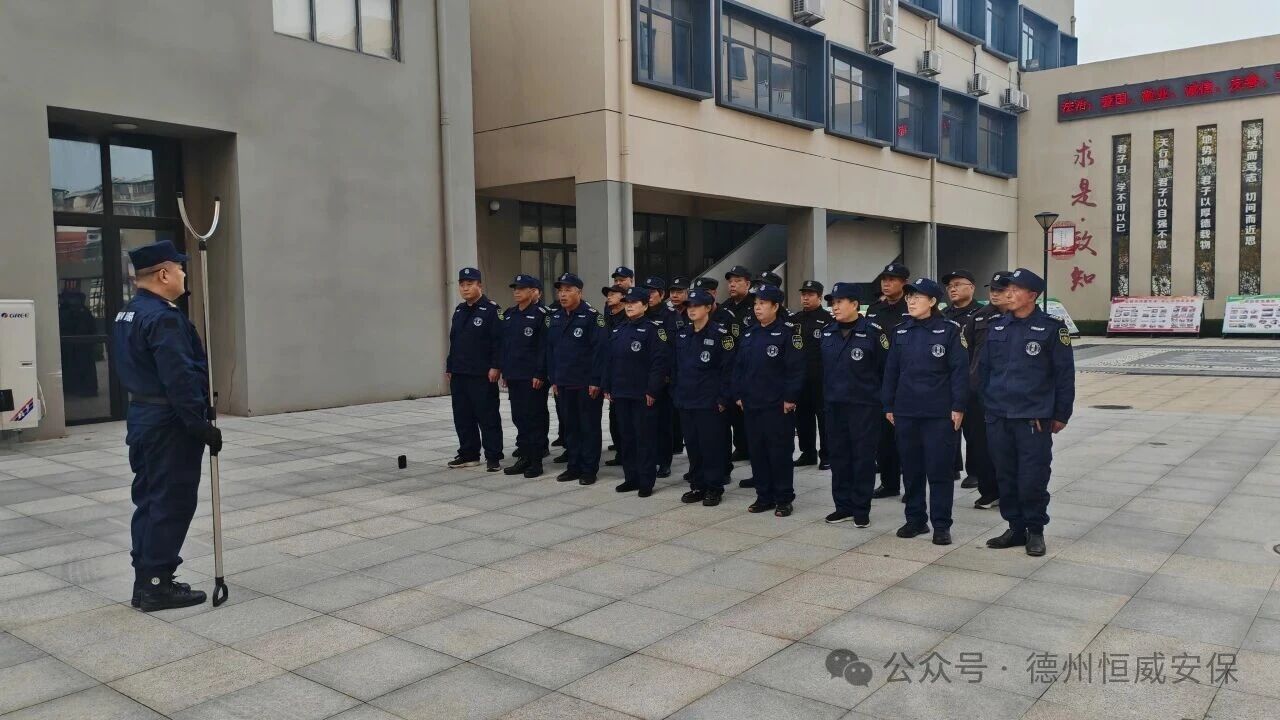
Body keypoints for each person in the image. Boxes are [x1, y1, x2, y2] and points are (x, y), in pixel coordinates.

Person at [111, 240, 218, 611]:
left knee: (149, 500)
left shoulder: (129, 313)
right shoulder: (164, 318)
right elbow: (180, 377)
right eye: (180, 267)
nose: (184, 273)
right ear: (163, 274)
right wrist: (198, 425)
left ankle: (146, 581)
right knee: (171, 501)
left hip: (143, 417)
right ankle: (157, 584)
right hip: (169, 423)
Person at [980, 268, 1075, 557]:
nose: (1008, 293)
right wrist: (986, 405)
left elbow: (1064, 375)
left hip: (1033, 417)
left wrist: (1061, 414)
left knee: (1032, 477)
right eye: (1007, 288)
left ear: (1032, 295)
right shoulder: (997, 326)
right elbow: (984, 370)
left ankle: (1035, 530)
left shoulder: (1051, 328)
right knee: (1005, 475)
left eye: (1015, 289)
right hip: (998, 415)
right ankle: (1015, 527)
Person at [882, 278, 968, 546]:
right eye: (909, 297)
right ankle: (915, 520)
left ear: (932, 301)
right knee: (911, 470)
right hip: (906, 411)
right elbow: (891, 371)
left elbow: (960, 372)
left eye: (917, 297)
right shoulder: (900, 331)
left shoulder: (949, 330)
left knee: (939, 471)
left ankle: (941, 525)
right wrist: (888, 405)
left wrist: (959, 406)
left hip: (938, 414)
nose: (911, 301)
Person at [733, 284, 805, 517]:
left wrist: (790, 398)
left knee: (779, 452)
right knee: (758, 452)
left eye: (762, 303)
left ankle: (783, 498)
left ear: (775, 306)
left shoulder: (788, 333)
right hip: (752, 403)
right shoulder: (749, 333)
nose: (757, 308)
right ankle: (763, 496)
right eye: (756, 304)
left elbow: (796, 370)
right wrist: (739, 395)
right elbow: (739, 368)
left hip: (777, 405)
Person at [820, 283, 889, 527]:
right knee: (839, 457)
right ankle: (843, 506)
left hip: (864, 407)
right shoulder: (827, 332)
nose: (835, 307)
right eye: (833, 303)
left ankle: (861, 508)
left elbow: (885, 370)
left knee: (863, 458)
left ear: (855, 304)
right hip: (834, 406)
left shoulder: (873, 332)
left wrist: (883, 402)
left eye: (839, 302)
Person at [602, 288, 670, 497]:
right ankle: (631, 478)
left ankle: (646, 480)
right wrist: (608, 386)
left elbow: (659, 363)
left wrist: (652, 390)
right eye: (627, 302)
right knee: (627, 437)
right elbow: (610, 360)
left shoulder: (653, 330)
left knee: (644, 438)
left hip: (642, 394)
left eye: (634, 302)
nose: (629, 306)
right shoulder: (619, 329)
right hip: (621, 392)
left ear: (645, 305)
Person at [673, 290, 735, 506]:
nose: (691, 310)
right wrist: (676, 394)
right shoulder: (682, 334)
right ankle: (698, 485)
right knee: (693, 446)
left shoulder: (721, 334)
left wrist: (723, 398)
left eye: (696, 306)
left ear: (708, 308)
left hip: (709, 402)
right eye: (689, 306)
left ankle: (714, 488)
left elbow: (728, 370)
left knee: (711, 447)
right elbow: (676, 368)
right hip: (686, 400)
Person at [546, 273, 605, 484]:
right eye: (560, 291)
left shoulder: (592, 317)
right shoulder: (556, 317)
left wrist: (596, 380)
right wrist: (554, 378)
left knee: (588, 427)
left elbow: (600, 351)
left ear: (579, 292)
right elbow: (551, 350)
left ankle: (589, 469)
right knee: (570, 427)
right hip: (564, 382)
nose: (562, 295)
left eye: (568, 290)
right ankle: (574, 466)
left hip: (586, 384)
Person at [446, 267, 504, 471]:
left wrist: (496, 366)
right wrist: (450, 366)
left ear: (479, 285)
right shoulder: (459, 310)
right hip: (459, 373)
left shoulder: (492, 310)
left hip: (482, 374)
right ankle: (468, 454)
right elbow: (454, 341)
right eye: (462, 285)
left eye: (469, 284)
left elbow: (498, 342)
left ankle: (493, 456)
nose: (465, 288)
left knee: (487, 416)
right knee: (462, 416)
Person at [963, 272, 1012, 506]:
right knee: (981, 444)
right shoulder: (978, 317)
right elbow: (968, 350)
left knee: (1007, 445)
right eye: (992, 289)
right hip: (980, 391)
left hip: (1009, 390)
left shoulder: (1019, 316)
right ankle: (989, 491)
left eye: (1000, 289)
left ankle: (1010, 491)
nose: (994, 293)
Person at [867, 263, 911, 500]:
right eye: (884, 279)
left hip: (906, 379)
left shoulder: (911, 306)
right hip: (880, 379)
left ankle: (911, 486)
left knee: (907, 437)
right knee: (883, 437)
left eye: (892, 279)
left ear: (904, 282)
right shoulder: (875, 309)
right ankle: (889, 483)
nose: (886, 283)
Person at [500, 274, 549, 479]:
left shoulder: (541, 315)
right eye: (515, 289)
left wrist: (540, 373)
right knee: (519, 417)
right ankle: (525, 456)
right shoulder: (510, 314)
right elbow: (506, 346)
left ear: (532, 291)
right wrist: (505, 371)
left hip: (532, 377)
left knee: (533, 418)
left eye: (521, 288)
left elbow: (544, 348)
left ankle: (536, 461)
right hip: (515, 375)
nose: (517, 292)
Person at [941, 270, 981, 481]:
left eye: (957, 284)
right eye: (949, 286)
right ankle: (952, 466)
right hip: (947, 380)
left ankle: (975, 471)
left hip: (972, 380)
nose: (952, 289)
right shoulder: (943, 314)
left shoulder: (981, 314)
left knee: (974, 429)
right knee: (948, 426)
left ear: (971, 287)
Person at [791, 280, 833, 469]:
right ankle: (808, 453)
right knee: (802, 418)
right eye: (803, 294)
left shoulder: (828, 319)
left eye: (810, 294)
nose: (805, 298)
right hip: (800, 378)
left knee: (824, 418)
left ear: (819, 297)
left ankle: (827, 455)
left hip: (821, 378)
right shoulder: (795, 319)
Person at [721, 265, 756, 470]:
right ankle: (741, 446)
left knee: (749, 412)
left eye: (737, 281)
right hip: (730, 366)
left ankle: (752, 449)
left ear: (747, 284)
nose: (732, 285)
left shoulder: (756, 305)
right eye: (730, 281)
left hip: (750, 367)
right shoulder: (725, 307)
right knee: (734, 411)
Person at [643, 276, 677, 478]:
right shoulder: (642, 312)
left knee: (663, 422)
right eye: (646, 291)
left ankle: (664, 461)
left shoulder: (670, 315)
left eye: (652, 292)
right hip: (643, 376)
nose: (648, 296)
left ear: (662, 295)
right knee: (646, 422)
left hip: (663, 376)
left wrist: (666, 375)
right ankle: (649, 458)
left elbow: (672, 348)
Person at [602, 284, 627, 467]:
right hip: (612, 374)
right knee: (614, 419)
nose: (609, 297)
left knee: (628, 422)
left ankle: (629, 454)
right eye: (608, 294)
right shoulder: (607, 318)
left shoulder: (628, 318)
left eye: (613, 294)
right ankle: (621, 452)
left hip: (627, 377)